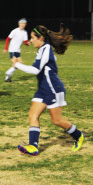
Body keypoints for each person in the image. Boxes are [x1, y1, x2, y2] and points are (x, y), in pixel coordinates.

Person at [11, 25, 85, 156]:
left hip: (53, 89)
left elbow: (35, 70)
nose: (31, 40)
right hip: (43, 89)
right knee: (33, 115)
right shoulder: (42, 50)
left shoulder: (46, 49)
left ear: (40, 38)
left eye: (33, 38)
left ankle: (78, 136)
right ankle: (33, 147)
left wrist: (17, 65)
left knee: (56, 120)